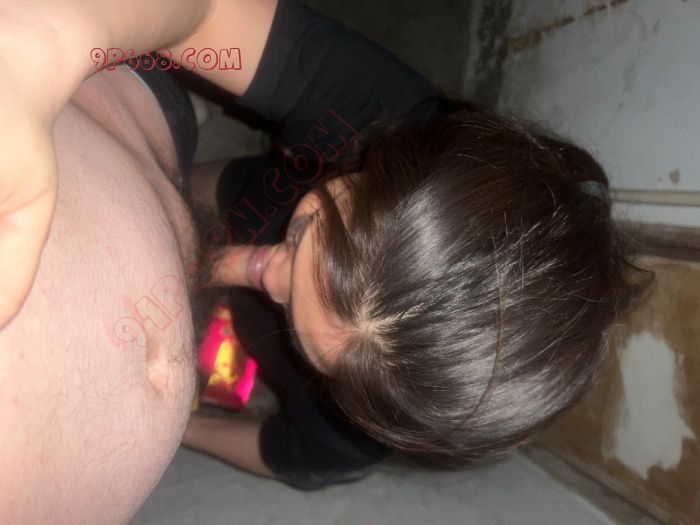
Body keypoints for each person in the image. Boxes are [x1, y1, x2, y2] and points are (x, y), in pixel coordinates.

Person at [0, 0, 647, 520]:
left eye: (307, 339)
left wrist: (180, 428)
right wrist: (34, 53)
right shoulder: (387, 114)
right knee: (200, 187)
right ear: (386, 163)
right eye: (304, 235)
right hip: (253, 191)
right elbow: (203, 16)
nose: (264, 274)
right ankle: (181, 145)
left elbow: (288, 458)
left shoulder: (371, 417)